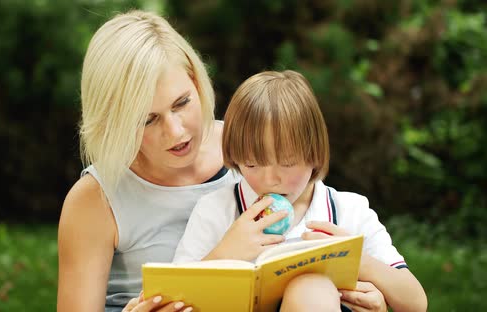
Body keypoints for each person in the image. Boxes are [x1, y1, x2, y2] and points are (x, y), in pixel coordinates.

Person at [57, 10, 392, 312]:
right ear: (113, 122)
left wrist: (370, 289)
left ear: (196, 80)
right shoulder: (94, 200)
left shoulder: (250, 149)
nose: (176, 132)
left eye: (182, 103)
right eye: (148, 120)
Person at [173, 70, 428, 311]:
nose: (270, 179)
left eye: (286, 163)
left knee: (311, 289)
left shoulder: (348, 210)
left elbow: (416, 303)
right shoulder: (217, 211)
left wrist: (358, 261)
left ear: (314, 154)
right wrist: (224, 254)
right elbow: (174, 298)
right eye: (251, 164)